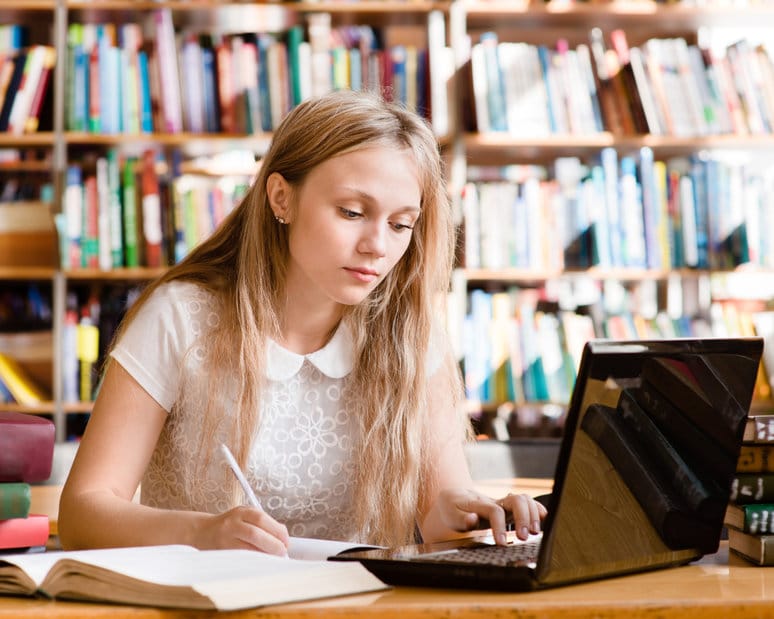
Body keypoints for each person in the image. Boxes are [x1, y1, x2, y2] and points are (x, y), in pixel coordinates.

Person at [59, 90, 547, 556]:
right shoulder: (181, 318)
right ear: (281, 198)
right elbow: (83, 513)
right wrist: (201, 532)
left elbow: (441, 513)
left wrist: (475, 512)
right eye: (352, 212)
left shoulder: (410, 333)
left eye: (401, 224)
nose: (378, 245)